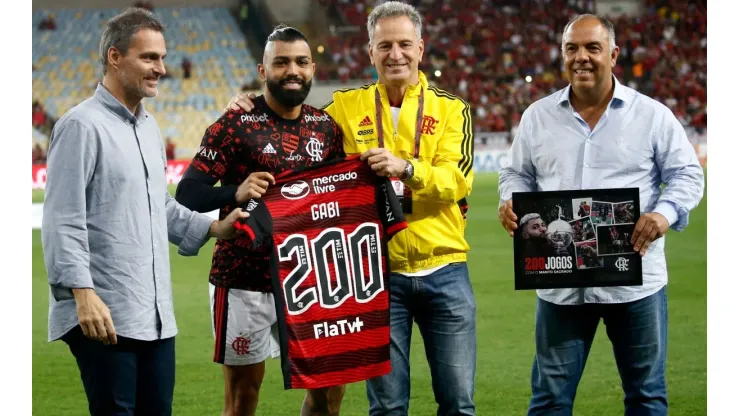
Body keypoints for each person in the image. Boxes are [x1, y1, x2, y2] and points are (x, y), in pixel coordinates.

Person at [227, 3, 475, 415]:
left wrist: (406, 168)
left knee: (457, 404)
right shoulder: (345, 107)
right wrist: (255, 107)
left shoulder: (452, 109)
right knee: (387, 406)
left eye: (404, 45)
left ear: (421, 48)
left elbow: (457, 181)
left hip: (444, 269)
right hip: (377, 277)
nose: (395, 54)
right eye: (385, 45)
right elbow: (294, 132)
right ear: (370, 51)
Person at [41, 8, 247, 416]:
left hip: (153, 314)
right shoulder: (80, 126)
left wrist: (214, 228)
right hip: (105, 312)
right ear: (115, 57)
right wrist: (82, 295)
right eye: (149, 58)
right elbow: (62, 218)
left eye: (162, 58)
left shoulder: (149, 127)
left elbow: (160, 206)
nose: (161, 68)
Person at [497, 14, 704, 415]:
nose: (582, 57)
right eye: (572, 48)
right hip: (560, 282)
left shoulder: (651, 115)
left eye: (592, 48)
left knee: (646, 397)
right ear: (562, 55)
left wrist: (663, 214)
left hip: (635, 282)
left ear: (613, 54)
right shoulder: (538, 116)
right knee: (549, 401)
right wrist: (515, 203)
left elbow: (686, 174)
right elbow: (516, 173)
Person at [176, 25, 347, 416]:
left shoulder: (326, 128)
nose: (293, 70)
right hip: (243, 281)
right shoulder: (233, 125)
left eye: (301, 62)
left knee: (327, 396)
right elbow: (188, 192)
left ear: (312, 67)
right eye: (281, 62)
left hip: (311, 283)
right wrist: (233, 192)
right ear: (262, 69)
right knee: (242, 402)